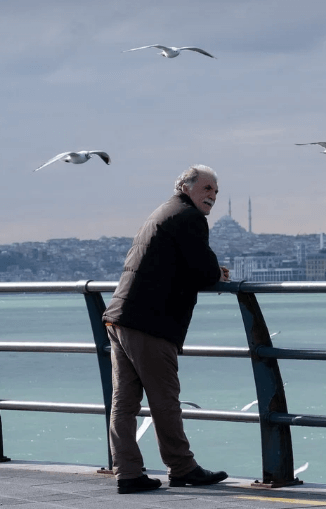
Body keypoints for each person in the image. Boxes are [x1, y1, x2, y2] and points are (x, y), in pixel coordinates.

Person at [102, 164, 230, 494]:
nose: (213, 196)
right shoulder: (189, 218)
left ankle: (128, 473)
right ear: (185, 187)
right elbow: (203, 271)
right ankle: (182, 467)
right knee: (165, 399)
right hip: (149, 321)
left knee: (124, 402)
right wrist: (217, 271)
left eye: (216, 191)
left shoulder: (162, 212)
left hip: (120, 315)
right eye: (207, 188)